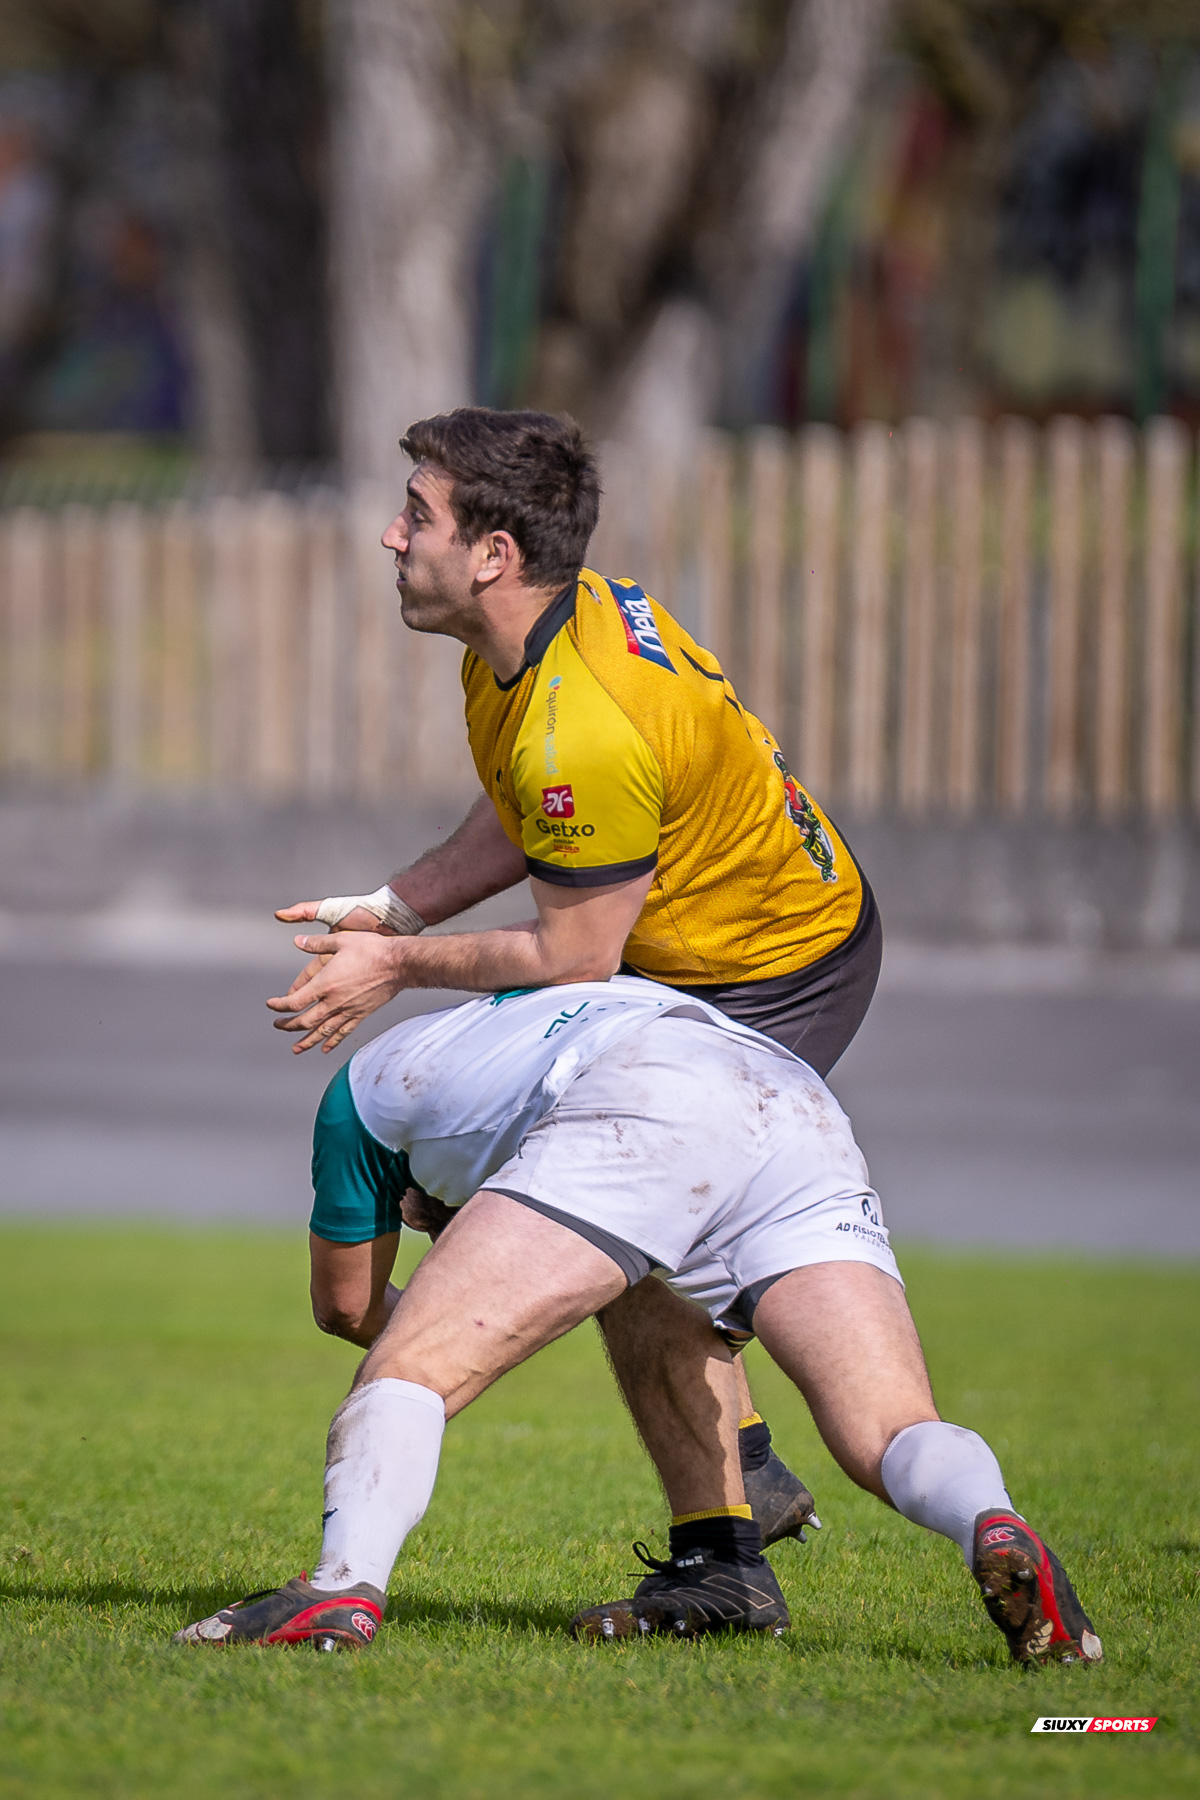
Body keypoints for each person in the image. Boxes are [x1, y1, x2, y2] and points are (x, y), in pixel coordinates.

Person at [269, 407, 881, 1543]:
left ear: (495, 556)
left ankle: (731, 1522)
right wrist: (394, 905)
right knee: (597, 1193)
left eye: (418, 515)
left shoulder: (577, 720)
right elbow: (539, 822)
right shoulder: (536, 638)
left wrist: (394, 965)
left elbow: (573, 954)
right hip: (695, 947)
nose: (391, 537)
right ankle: (744, 1479)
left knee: (613, 1193)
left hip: (772, 966)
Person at [176, 977, 1101, 1664]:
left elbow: (346, 1308)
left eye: (432, 1222)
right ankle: (987, 1521)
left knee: (409, 1372)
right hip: (788, 1099)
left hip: (648, 1095)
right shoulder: (490, 1044)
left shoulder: (365, 1099)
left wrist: (459, 1327)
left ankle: (338, 1592)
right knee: (892, 1424)